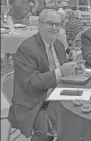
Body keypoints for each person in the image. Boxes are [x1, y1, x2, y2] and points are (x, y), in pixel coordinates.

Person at [8, 9, 76, 141]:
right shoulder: (27, 48)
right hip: (34, 101)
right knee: (46, 131)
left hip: (58, 95)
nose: (55, 28)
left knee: (79, 117)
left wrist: (73, 69)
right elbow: (31, 83)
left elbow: (62, 71)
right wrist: (61, 72)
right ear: (39, 24)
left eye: (58, 24)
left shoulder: (58, 45)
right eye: (50, 23)